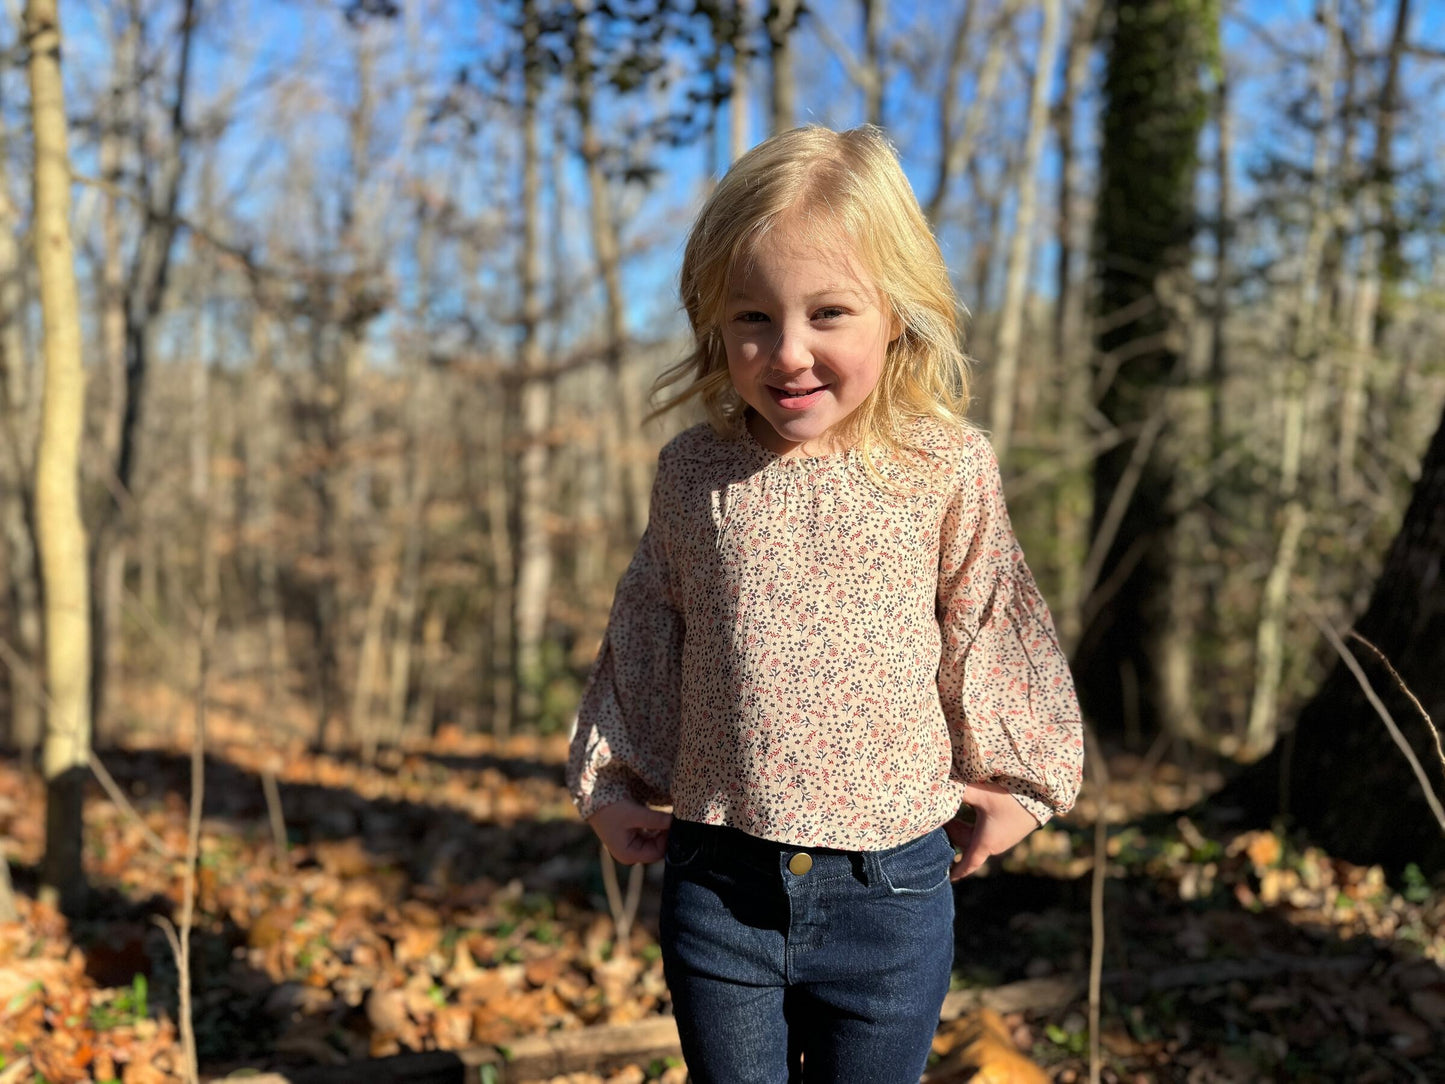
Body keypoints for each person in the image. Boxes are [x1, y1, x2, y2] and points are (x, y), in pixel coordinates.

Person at [566, 124, 1084, 1084]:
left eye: (830, 312)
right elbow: (648, 622)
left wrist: (1020, 782)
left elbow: (989, 619)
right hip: (719, 882)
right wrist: (614, 780)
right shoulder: (695, 473)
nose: (788, 352)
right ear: (712, 321)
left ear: (898, 314)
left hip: (889, 892)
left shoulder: (942, 466)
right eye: (752, 316)